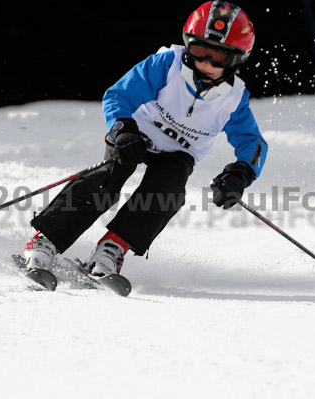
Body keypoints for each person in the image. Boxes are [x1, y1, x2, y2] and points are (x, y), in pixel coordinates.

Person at [23, 0, 268, 277]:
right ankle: (46, 240)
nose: (207, 63)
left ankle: (112, 248)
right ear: (188, 45)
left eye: (220, 57)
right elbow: (119, 95)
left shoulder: (234, 98)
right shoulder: (166, 65)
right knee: (109, 176)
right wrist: (122, 130)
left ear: (237, 59)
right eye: (200, 50)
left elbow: (253, 142)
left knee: (168, 189)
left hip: (179, 152)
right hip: (135, 136)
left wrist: (241, 172)